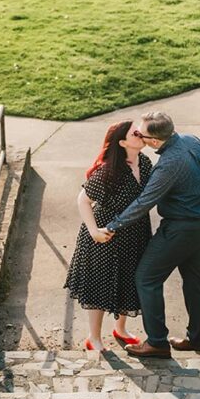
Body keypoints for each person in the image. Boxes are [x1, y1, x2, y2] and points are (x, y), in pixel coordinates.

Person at [95, 111, 200, 359]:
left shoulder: (169, 164)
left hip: (182, 229)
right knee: (195, 282)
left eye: (141, 133)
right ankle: (198, 339)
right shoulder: (191, 140)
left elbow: (144, 202)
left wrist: (113, 225)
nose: (138, 135)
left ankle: (157, 342)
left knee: (147, 277)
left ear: (155, 141)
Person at [64, 120, 152, 352]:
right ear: (123, 142)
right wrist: (94, 231)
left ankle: (120, 329)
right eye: (135, 133)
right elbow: (83, 200)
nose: (140, 133)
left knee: (128, 281)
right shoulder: (110, 171)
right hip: (105, 235)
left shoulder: (144, 162)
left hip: (135, 233)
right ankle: (94, 338)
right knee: (100, 284)